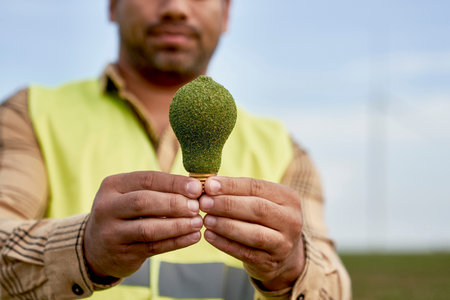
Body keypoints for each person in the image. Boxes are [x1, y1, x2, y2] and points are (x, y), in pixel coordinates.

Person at [0, 0, 351, 299]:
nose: (176, 8)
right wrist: (81, 248)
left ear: (226, 13)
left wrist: (294, 269)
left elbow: (336, 287)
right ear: (112, 5)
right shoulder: (30, 114)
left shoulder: (282, 148)